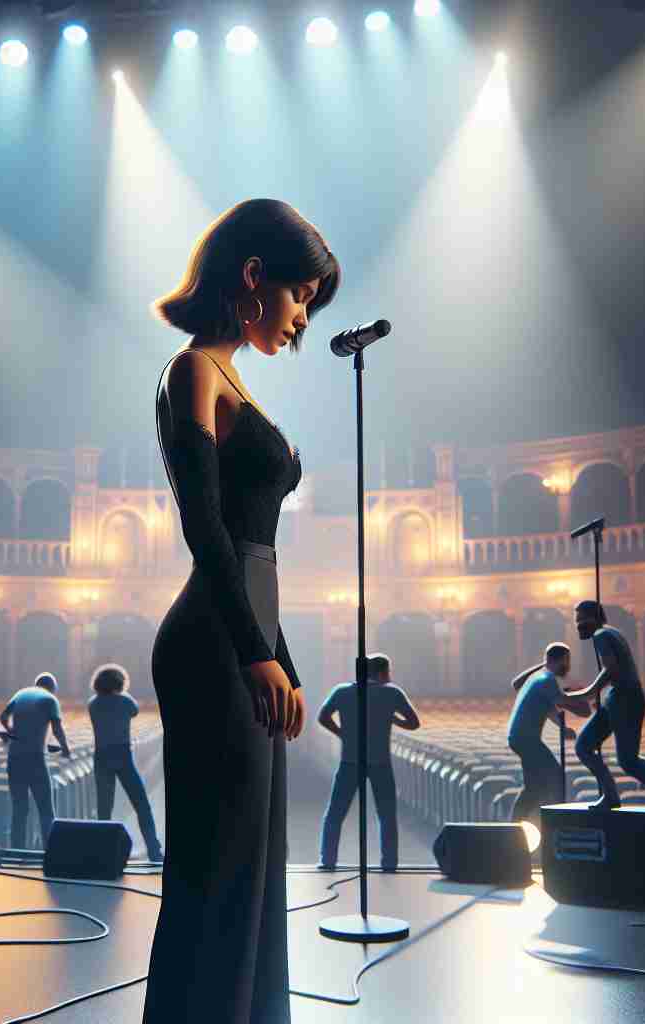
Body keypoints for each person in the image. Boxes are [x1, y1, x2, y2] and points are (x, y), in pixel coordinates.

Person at [145, 198, 338, 1024]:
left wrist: (280, 656)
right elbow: (207, 529)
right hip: (212, 640)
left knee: (258, 865)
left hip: (247, 632)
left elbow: (259, 554)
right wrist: (258, 652)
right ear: (254, 277)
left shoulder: (233, 381)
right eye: (301, 296)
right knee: (216, 866)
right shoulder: (192, 371)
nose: (301, 321)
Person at [566, 600, 645, 812]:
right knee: (584, 746)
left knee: (627, 760)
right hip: (617, 698)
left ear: (594, 619)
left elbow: (611, 668)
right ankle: (610, 795)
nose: (578, 625)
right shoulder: (610, 633)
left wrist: (587, 693)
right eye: (576, 621)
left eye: (581, 620)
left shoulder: (601, 635)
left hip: (625, 699)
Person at [316, 653, 422, 872]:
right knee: (387, 816)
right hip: (380, 762)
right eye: (388, 672)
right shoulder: (392, 693)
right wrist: (391, 718)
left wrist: (342, 733)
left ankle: (327, 861)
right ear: (383, 672)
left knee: (335, 813)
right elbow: (414, 723)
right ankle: (389, 864)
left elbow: (323, 716)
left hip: (350, 761)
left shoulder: (342, 691)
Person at [504, 643, 592, 829]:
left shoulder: (540, 678)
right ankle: (556, 823)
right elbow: (562, 701)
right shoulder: (546, 679)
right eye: (567, 661)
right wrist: (585, 697)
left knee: (533, 786)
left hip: (520, 738)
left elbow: (549, 709)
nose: (568, 666)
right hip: (525, 738)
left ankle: (514, 825)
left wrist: (563, 728)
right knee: (555, 776)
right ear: (560, 660)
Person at [88, 662, 162, 863]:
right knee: (141, 804)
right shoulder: (125, 701)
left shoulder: (93, 704)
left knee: (104, 808)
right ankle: (154, 850)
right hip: (122, 756)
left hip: (101, 757)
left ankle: (101, 852)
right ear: (120, 682)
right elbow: (134, 710)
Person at [0, 672, 71, 849]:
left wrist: (11, 731)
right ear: (53, 689)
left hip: (14, 758)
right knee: (46, 810)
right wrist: (66, 749)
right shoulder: (50, 699)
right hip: (35, 758)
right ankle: (49, 852)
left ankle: (17, 853)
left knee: (19, 810)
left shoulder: (21, 693)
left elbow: (2, 717)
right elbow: (57, 729)